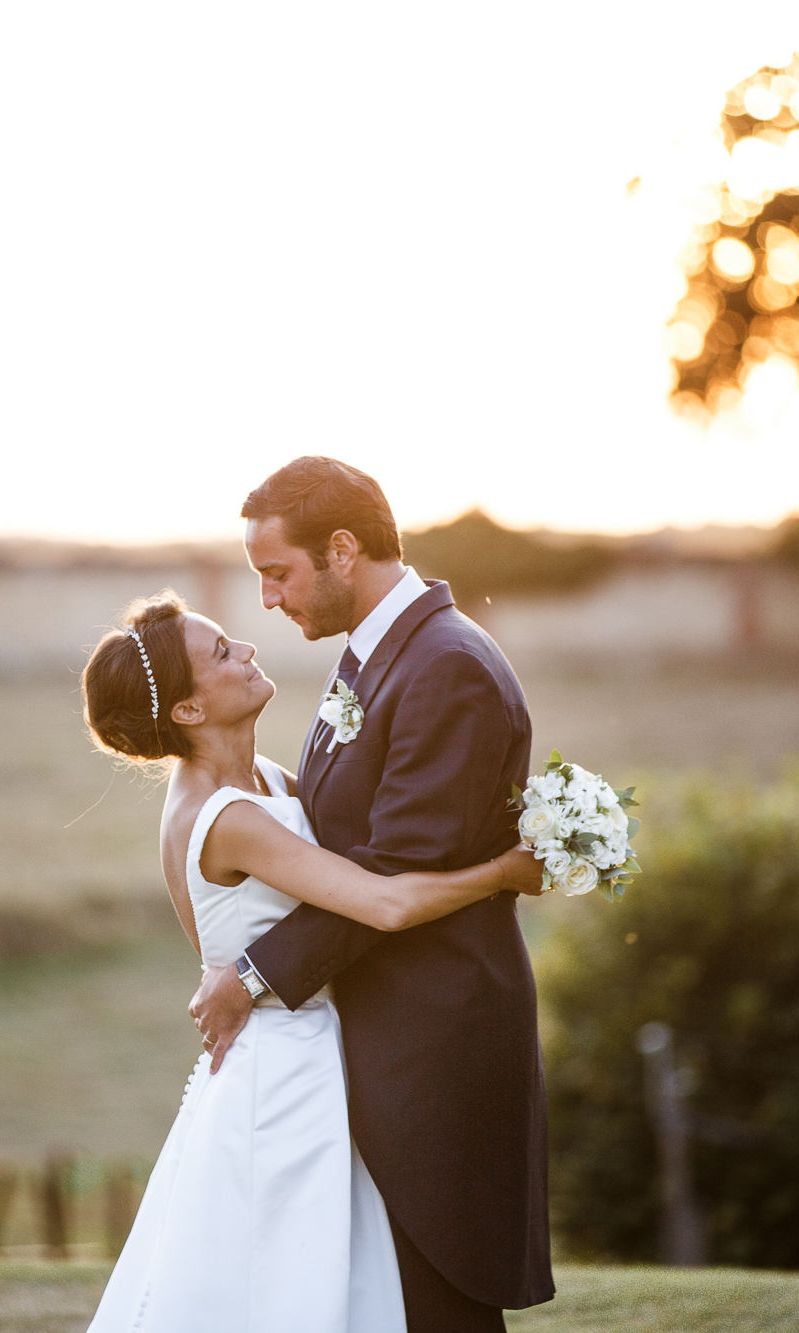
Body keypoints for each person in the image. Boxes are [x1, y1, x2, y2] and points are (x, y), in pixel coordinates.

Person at [81, 590, 544, 1333]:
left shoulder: (262, 778)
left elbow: (380, 844)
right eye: (223, 652)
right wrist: (501, 872)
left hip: (313, 1048)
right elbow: (383, 901)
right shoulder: (228, 817)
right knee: (285, 1285)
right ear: (189, 711)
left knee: (334, 1280)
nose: (249, 650)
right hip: (280, 1075)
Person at [188, 456, 555, 1331]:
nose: (270, 600)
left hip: (436, 1041)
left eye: (277, 573)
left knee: (438, 1308)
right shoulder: (380, 653)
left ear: (343, 549)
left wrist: (255, 970)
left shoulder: (446, 665)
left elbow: (392, 872)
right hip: (376, 1039)